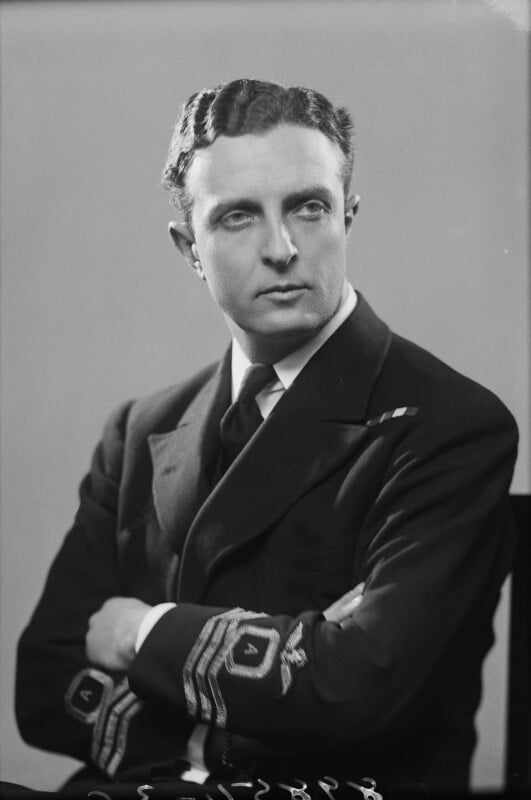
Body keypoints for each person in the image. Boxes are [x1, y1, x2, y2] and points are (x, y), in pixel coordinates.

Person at [15, 79, 518, 797]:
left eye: (308, 208)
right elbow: (44, 681)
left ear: (347, 215)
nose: (281, 247)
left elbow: (356, 687)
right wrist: (285, 666)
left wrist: (144, 632)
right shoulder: (141, 430)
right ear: (189, 245)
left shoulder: (447, 424)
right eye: (238, 217)